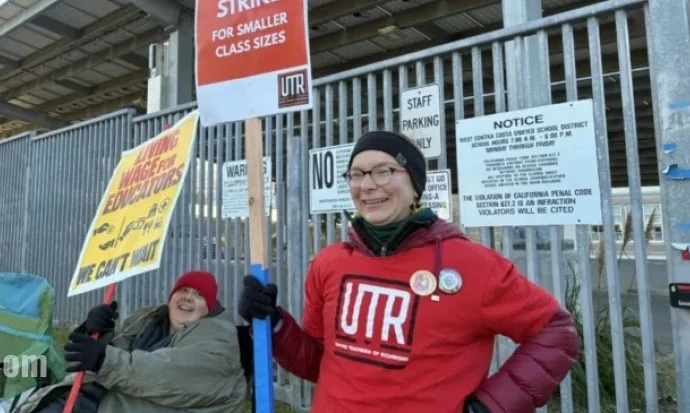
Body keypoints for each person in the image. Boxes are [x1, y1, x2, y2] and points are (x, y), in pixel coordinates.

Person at [238, 130, 580, 413]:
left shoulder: (474, 266)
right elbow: (318, 363)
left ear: (415, 185)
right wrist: (274, 324)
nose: (367, 185)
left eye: (383, 171)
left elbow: (556, 333)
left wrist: (490, 407)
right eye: (356, 174)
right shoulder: (329, 263)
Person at [17, 270, 248, 413]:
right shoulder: (148, 322)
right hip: (92, 400)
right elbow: (85, 362)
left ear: (209, 308)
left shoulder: (218, 339)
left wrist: (104, 360)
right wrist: (96, 332)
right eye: (183, 290)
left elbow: (167, 374)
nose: (187, 297)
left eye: (198, 295)